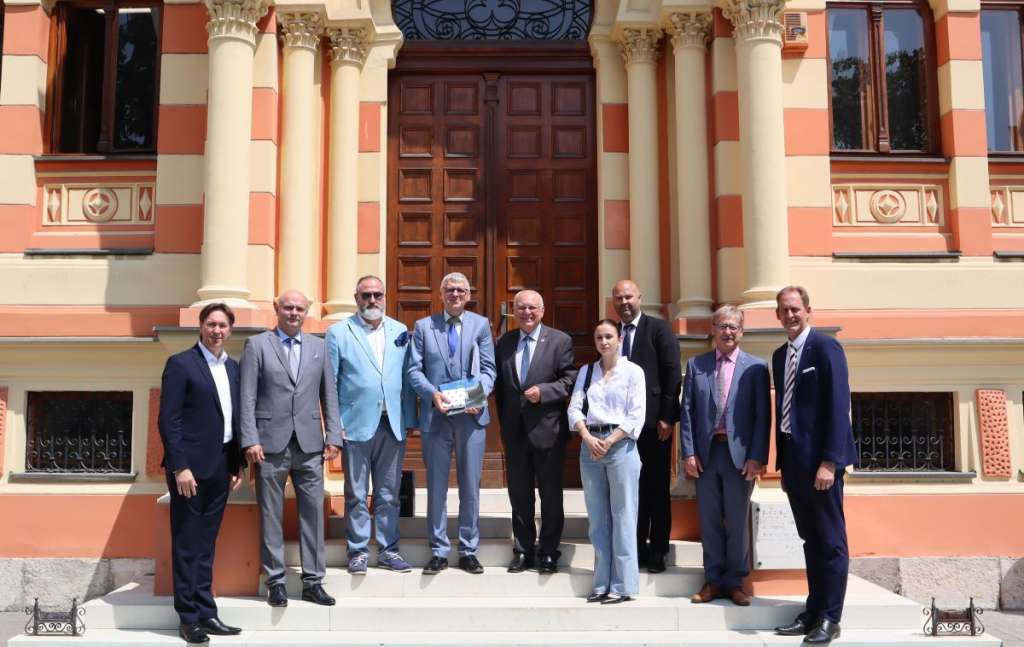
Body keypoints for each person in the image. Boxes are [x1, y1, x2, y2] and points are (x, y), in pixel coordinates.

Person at [240, 290, 343, 607]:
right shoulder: (257, 345)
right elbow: (247, 396)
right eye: (288, 307)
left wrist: (334, 436)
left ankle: (313, 581)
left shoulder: (318, 346)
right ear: (277, 309)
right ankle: (276, 581)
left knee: (313, 514)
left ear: (306, 312)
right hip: (269, 444)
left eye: (299, 308)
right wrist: (250, 438)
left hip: (310, 444)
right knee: (271, 514)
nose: (294, 313)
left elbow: (329, 395)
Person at [771, 286, 856, 645]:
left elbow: (838, 406)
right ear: (777, 315)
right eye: (784, 310)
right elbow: (785, 410)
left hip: (822, 465)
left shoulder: (825, 348)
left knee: (831, 541)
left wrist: (830, 462)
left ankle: (831, 618)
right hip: (794, 464)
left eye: (795, 309)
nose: (790, 315)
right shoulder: (780, 355)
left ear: (808, 311)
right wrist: (784, 466)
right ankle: (814, 611)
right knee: (810, 540)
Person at [158, 303, 244, 645]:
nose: (216, 331)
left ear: (230, 330)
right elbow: (169, 420)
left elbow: (234, 419)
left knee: (207, 543)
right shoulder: (181, 364)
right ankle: (188, 617)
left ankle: (207, 612)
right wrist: (180, 466)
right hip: (189, 470)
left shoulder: (233, 368)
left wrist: (237, 464)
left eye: (222, 325)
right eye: (211, 324)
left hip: (221, 465)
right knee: (186, 542)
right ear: (201, 326)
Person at [325, 276, 418, 575]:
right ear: (356, 298)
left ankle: (389, 550)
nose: (372, 300)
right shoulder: (339, 332)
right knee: (355, 493)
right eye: (366, 295)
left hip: (392, 424)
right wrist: (334, 426)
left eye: (378, 294)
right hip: (354, 425)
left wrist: (410, 418)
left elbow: (407, 379)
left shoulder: (399, 330)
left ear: (385, 297)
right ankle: (358, 551)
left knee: (389, 493)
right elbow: (330, 384)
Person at [680, 305, 770, 606]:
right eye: (722, 326)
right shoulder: (697, 365)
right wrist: (689, 453)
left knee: (737, 520)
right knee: (709, 521)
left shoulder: (756, 367)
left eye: (733, 327)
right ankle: (713, 581)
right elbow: (687, 412)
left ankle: (735, 583)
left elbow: (762, 416)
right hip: (706, 454)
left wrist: (757, 456)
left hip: (740, 457)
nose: (727, 332)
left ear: (741, 331)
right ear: (713, 330)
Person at [407, 272, 497, 574]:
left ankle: (468, 549)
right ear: (441, 294)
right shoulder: (424, 327)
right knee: (436, 486)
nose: (455, 294)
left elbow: (489, 369)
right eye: (450, 289)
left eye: (461, 290)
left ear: (468, 295)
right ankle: (439, 550)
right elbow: (414, 370)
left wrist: (479, 396)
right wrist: (431, 395)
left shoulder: (480, 325)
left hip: (471, 418)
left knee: (470, 485)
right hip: (436, 417)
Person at [494, 290, 577, 574]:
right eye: (521, 308)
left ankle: (549, 551)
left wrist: (544, 391)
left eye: (532, 308)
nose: (526, 313)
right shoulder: (504, 342)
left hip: (548, 431)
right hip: (515, 432)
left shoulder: (559, 340)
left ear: (542, 310)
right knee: (519, 495)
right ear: (514, 311)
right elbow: (500, 388)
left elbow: (570, 380)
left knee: (550, 495)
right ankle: (523, 549)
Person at [567, 319, 646, 604]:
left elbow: (636, 414)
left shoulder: (633, 372)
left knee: (623, 516)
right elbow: (574, 409)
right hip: (590, 448)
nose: (604, 342)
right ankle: (601, 582)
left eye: (609, 336)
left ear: (619, 339)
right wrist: (588, 438)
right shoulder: (587, 372)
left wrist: (609, 441)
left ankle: (623, 585)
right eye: (599, 337)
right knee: (598, 519)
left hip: (621, 447)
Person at [610, 280, 681, 573]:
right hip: (621, 427)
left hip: (654, 425)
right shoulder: (612, 333)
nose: (624, 302)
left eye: (629, 297)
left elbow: (672, 372)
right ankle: (636, 548)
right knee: (630, 489)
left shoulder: (659, 329)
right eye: (619, 298)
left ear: (640, 297)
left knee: (656, 488)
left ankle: (659, 549)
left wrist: (667, 416)